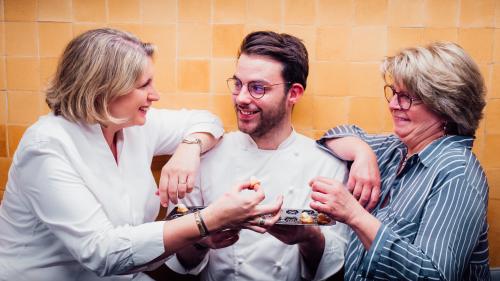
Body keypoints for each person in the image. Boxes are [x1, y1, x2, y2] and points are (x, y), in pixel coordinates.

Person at [0, 28, 282, 281]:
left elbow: (208, 121)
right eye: (144, 85)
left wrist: (189, 148)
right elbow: (103, 253)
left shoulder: (130, 125)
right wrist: (209, 219)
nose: (155, 95)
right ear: (104, 90)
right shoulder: (46, 147)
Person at [164, 31, 378, 281]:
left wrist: (309, 237)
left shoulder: (326, 165)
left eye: (257, 88)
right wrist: (201, 240)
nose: (242, 98)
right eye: (238, 84)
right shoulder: (202, 158)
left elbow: (335, 268)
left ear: (294, 93)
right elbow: (177, 263)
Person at [310, 42, 490, 280]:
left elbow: (433, 275)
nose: (393, 105)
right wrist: (362, 152)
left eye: (406, 97)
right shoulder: (397, 147)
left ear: (445, 106)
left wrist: (354, 215)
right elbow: (331, 136)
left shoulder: (458, 173)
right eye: (394, 93)